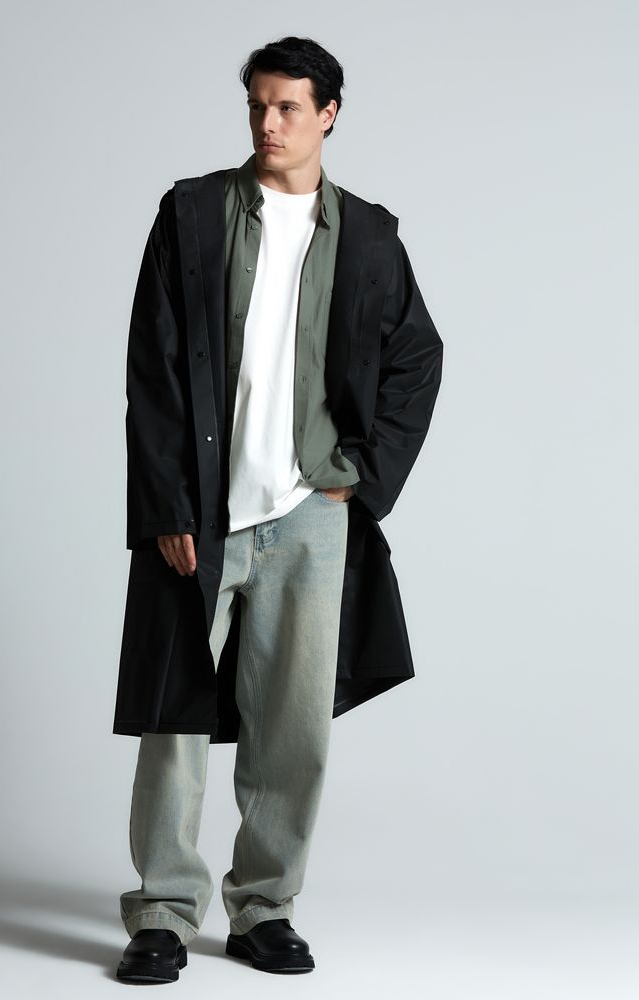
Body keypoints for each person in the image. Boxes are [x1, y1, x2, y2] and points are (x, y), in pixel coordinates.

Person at [114, 35, 444, 984]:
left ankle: (264, 908)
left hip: (310, 515)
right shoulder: (193, 214)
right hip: (204, 512)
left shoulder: (369, 235)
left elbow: (419, 355)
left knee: (294, 728)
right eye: (258, 105)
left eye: (289, 107)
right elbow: (152, 367)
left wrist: (362, 475)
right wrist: (167, 504)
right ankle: (163, 913)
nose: (268, 122)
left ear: (328, 114)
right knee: (175, 719)